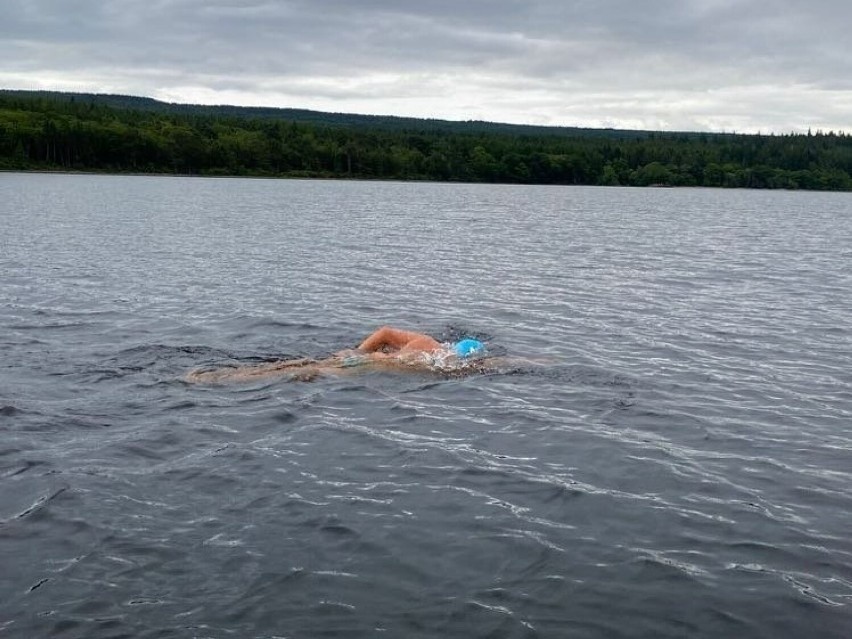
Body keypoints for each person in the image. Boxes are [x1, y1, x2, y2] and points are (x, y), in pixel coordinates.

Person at [185, 326, 487, 384]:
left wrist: (356, 351)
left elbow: (383, 332)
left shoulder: (424, 340)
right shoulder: (440, 365)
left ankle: (221, 375)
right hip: (365, 367)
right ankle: (224, 380)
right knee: (309, 372)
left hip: (360, 358)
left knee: (309, 364)